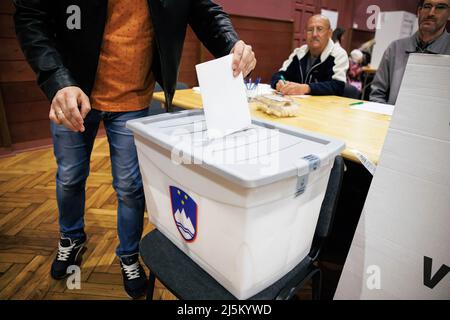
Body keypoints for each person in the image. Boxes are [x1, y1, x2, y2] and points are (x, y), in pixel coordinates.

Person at [13, 0, 256, 299]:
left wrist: (233, 44)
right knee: (69, 176)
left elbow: (205, 11)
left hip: (134, 100)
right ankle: (71, 238)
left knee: (130, 187)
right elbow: (30, 16)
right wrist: (56, 80)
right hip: (71, 93)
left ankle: (128, 255)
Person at [370, 0, 450, 105]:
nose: (431, 13)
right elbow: (377, 95)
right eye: (427, 6)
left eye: (440, 7)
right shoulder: (395, 49)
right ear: (419, 11)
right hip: (392, 118)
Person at [271, 15, 349, 96]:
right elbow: (279, 75)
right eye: (310, 30)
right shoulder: (299, 53)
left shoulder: (339, 54)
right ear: (305, 34)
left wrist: (306, 88)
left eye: (320, 29)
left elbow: (338, 86)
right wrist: (279, 82)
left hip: (324, 107)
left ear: (329, 33)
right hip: (296, 105)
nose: (314, 34)